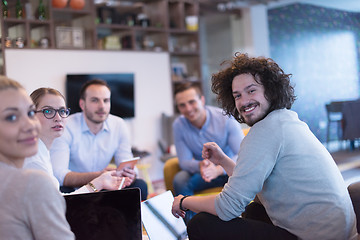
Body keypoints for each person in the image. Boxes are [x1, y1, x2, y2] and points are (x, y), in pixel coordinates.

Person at [172, 53, 357, 240]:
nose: (244, 102)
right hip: (339, 234)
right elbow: (252, 182)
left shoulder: (265, 131)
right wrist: (222, 160)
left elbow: (227, 207)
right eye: (237, 95)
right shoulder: (286, 121)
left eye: (251, 91)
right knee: (255, 209)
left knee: (201, 224)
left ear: (271, 90)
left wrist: (184, 201)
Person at [0, 77, 74, 239]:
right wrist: (94, 185)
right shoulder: (32, 179)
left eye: (30, 113)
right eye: (12, 117)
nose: (30, 124)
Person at [50, 79, 148, 200]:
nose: (102, 106)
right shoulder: (66, 126)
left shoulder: (119, 125)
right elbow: (59, 175)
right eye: (95, 100)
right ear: (82, 104)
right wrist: (98, 177)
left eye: (106, 100)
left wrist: (131, 174)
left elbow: (126, 161)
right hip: (75, 190)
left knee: (140, 186)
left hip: (105, 188)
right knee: (59, 191)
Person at [23, 87, 131, 193]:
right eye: (48, 111)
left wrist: (101, 181)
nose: (58, 118)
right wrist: (99, 182)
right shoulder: (34, 161)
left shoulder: (41, 152)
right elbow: (61, 204)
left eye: (62, 111)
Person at [172, 82, 244, 197]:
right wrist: (201, 165)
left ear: (202, 100)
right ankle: (191, 215)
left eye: (192, 102)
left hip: (231, 171)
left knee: (244, 174)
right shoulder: (178, 125)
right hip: (204, 172)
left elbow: (243, 155)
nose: (188, 109)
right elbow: (184, 161)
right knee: (180, 179)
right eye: (182, 105)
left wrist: (219, 169)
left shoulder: (226, 118)